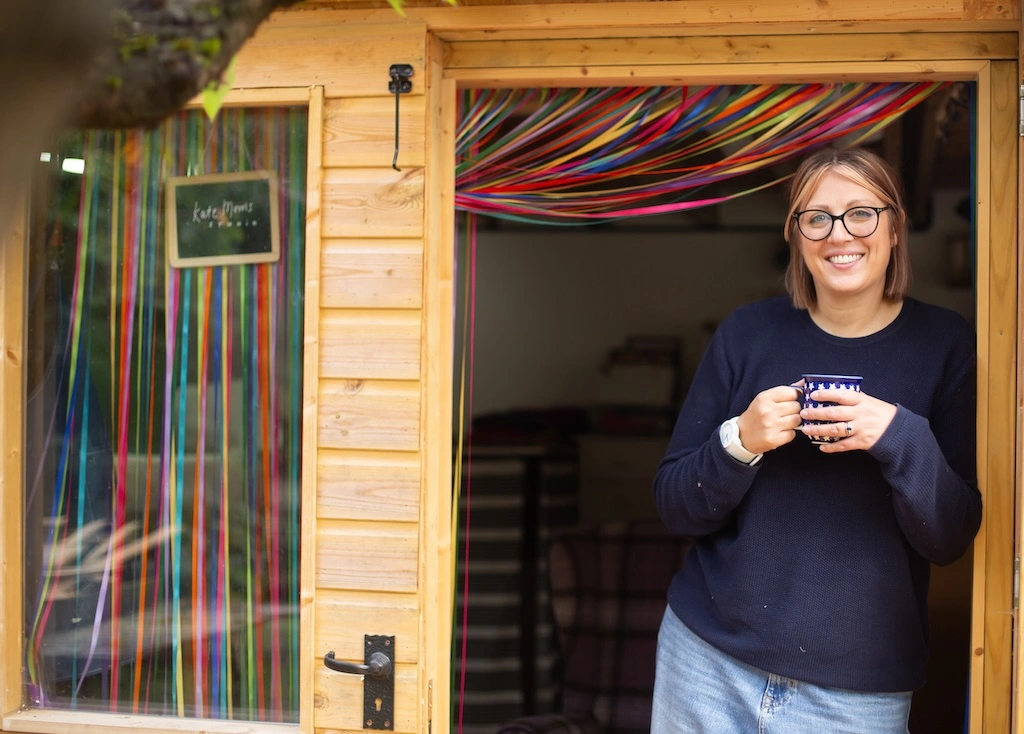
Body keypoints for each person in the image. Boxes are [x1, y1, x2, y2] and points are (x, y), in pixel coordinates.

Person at [650, 146, 981, 733]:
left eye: (861, 212)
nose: (839, 234)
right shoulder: (747, 333)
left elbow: (950, 536)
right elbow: (675, 506)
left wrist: (901, 436)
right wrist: (739, 442)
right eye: (816, 217)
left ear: (896, 227)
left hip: (856, 690)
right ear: (796, 235)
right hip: (707, 661)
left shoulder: (945, 344)